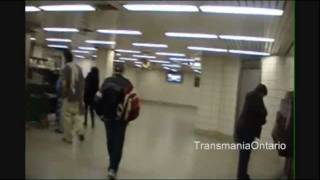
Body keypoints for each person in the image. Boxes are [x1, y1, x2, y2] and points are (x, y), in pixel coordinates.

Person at [94, 63, 134, 179]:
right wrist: (128, 118)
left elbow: (97, 99)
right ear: (123, 71)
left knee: (110, 141)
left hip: (107, 117)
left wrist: (100, 113)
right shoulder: (128, 83)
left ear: (113, 70)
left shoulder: (106, 82)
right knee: (118, 143)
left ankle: (112, 163)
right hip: (121, 119)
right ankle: (113, 168)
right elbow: (131, 103)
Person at [234, 84, 268, 179]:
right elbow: (262, 112)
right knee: (244, 155)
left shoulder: (251, 96)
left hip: (244, 129)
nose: (263, 98)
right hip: (247, 131)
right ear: (261, 93)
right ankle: (241, 176)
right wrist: (263, 118)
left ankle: (242, 174)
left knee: (244, 155)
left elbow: (259, 113)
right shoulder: (254, 97)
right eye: (263, 95)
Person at [61, 49, 85, 144]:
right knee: (77, 115)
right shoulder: (79, 68)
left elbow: (64, 83)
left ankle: (68, 138)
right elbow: (83, 83)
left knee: (67, 117)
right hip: (78, 97)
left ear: (65, 58)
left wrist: (63, 94)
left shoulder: (66, 68)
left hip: (69, 96)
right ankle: (80, 131)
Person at [272, 91, 293, 179]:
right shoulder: (289, 106)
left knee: (288, 156)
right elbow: (288, 123)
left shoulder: (283, 104)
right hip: (287, 136)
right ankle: (287, 174)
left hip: (280, 134)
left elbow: (279, 119)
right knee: (289, 157)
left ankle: (286, 173)